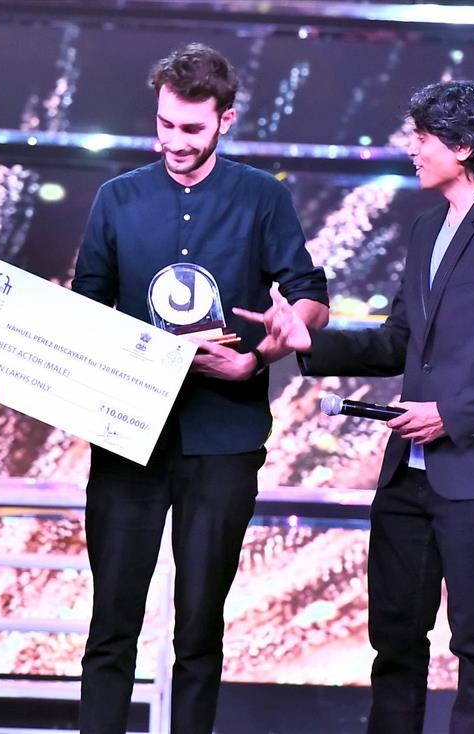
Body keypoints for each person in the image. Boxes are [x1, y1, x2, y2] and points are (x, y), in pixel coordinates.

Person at [240, 80, 474, 734]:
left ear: (465, 145)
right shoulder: (427, 229)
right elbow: (401, 340)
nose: (412, 149)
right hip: (408, 477)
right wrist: (311, 341)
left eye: (423, 138)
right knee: (395, 638)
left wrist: (452, 413)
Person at [70, 43, 329, 733]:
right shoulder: (116, 198)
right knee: (110, 628)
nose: (173, 142)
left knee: (200, 631)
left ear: (226, 120)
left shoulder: (262, 198)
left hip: (224, 439)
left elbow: (308, 296)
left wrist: (272, 346)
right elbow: (85, 307)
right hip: (127, 437)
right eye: (163, 125)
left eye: (190, 129)